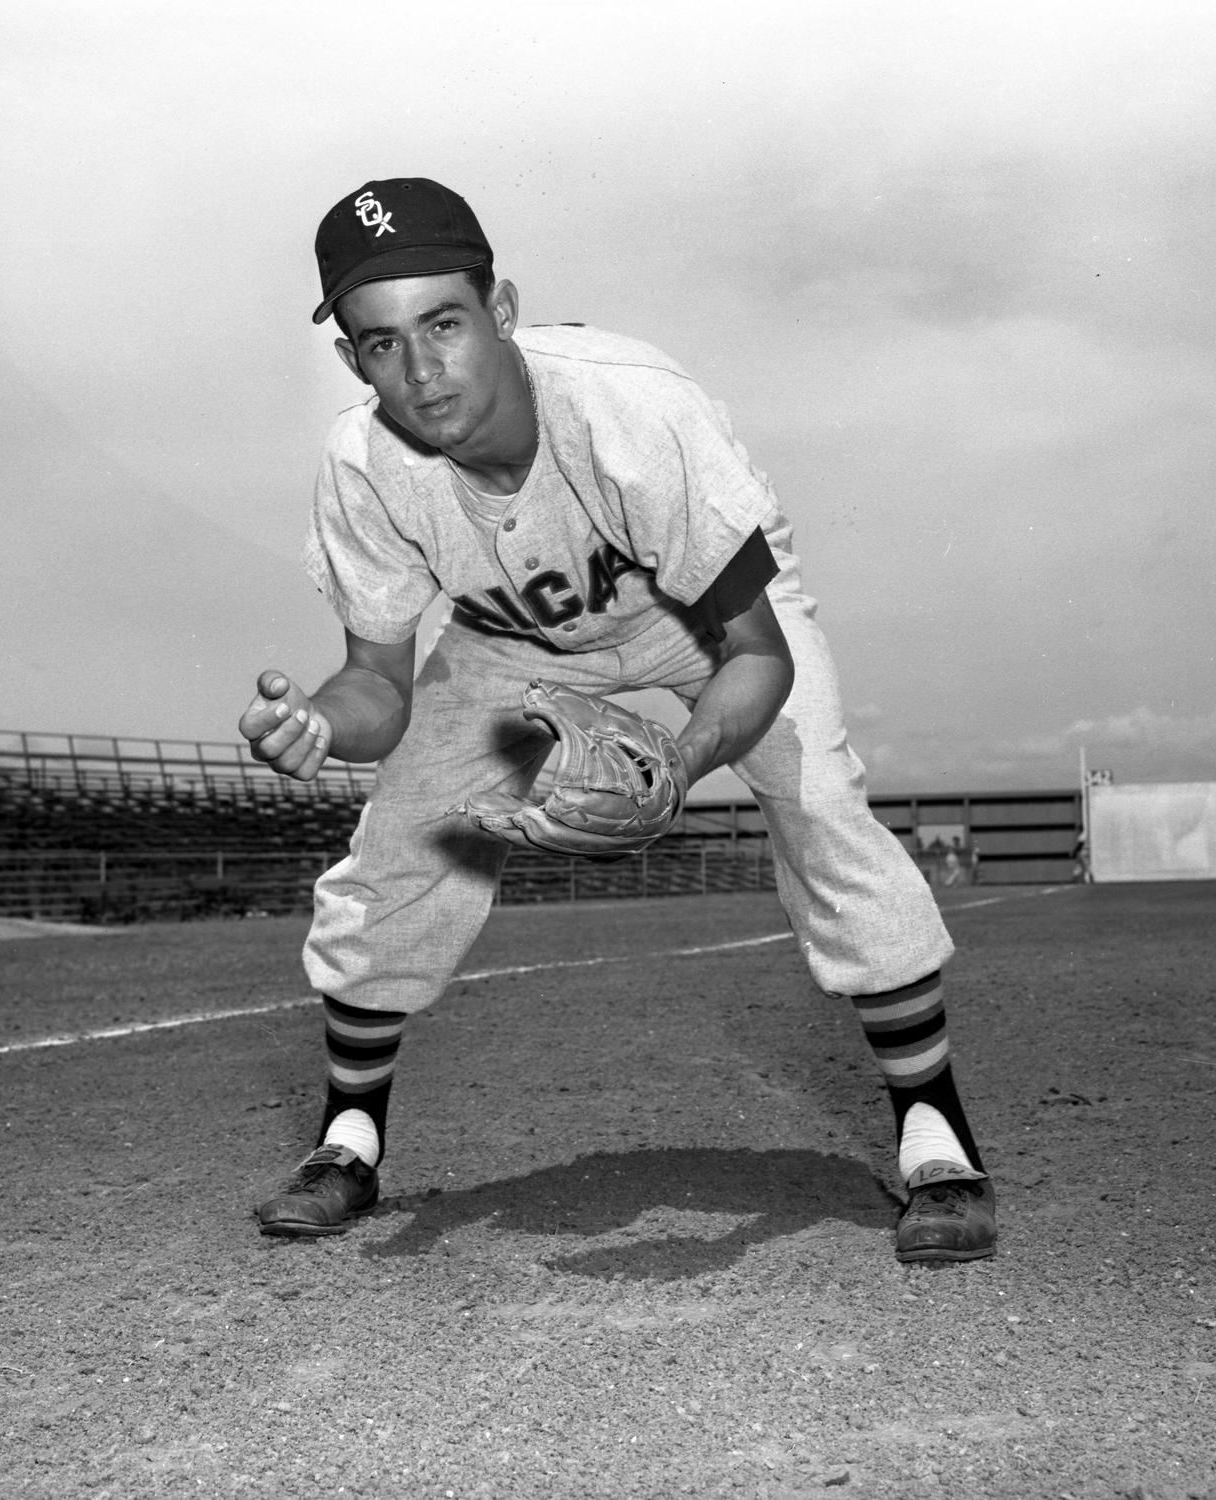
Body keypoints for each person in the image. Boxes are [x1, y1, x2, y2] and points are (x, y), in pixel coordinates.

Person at [241, 178, 996, 1263]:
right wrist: (319, 723)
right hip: (511, 643)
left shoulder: (630, 412)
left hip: (699, 621)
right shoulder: (364, 466)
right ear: (351, 359)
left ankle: (936, 1137)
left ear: (502, 311)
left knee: (818, 799)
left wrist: (675, 766)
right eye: (380, 343)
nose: (418, 369)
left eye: (443, 324)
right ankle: (348, 1144)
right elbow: (377, 687)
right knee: (403, 836)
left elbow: (755, 654)